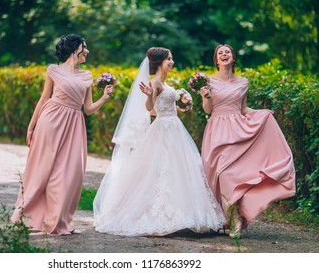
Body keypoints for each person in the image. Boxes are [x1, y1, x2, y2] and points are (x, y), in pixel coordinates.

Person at [93, 47, 225, 236]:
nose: (172, 62)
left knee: (178, 168)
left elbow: (162, 108)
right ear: (159, 62)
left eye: (172, 58)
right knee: (161, 167)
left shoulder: (166, 83)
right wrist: (149, 95)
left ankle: (184, 213)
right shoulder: (154, 82)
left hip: (173, 126)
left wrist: (182, 108)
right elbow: (149, 108)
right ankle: (161, 215)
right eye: (168, 59)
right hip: (163, 129)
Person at [11, 34, 113, 235]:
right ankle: (26, 216)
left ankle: (56, 220)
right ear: (76, 49)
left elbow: (88, 108)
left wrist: (105, 98)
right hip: (50, 121)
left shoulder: (87, 76)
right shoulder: (53, 70)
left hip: (74, 124)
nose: (88, 51)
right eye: (85, 47)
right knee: (41, 171)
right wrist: (31, 127)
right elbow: (43, 99)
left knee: (70, 173)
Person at [200, 44, 296, 238]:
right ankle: (227, 218)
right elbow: (208, 110)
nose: (224, 54)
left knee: (236, 176)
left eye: (227, 52)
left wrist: (263, 114)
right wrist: (206, 96)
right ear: (216, 60)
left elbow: (243, 109)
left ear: (233, 58)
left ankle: (236, 221)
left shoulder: (243, 82)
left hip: (238, 129)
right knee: (222, 174)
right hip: (217, 130)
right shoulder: (207, 81)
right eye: (220, 53)